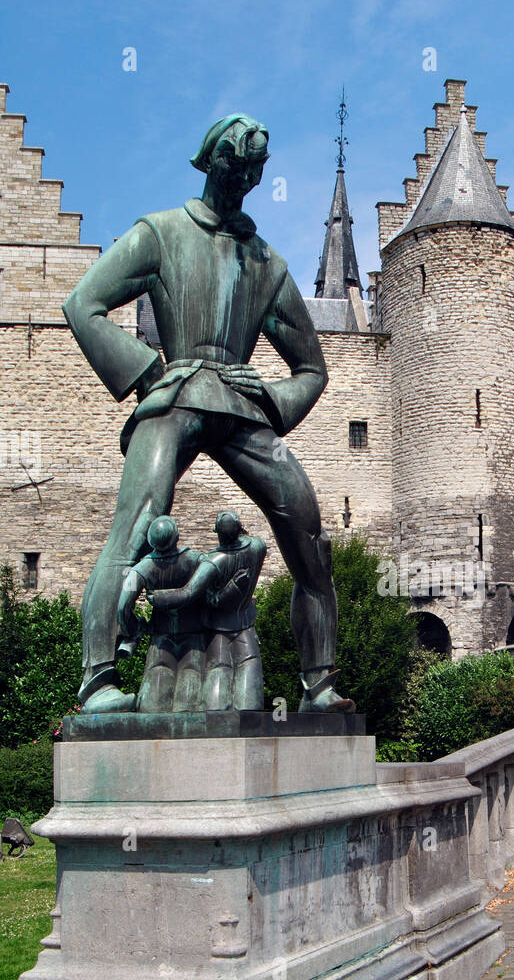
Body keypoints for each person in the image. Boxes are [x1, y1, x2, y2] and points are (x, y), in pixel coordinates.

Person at [63, 112, 354, 715]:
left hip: (241, 406)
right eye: (234, 162)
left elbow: (313, 368)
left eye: (255, 168)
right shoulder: (162, 233)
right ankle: (98, 680)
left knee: (308, 532)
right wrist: (146, 374)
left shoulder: (267, 264)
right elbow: (83, 302)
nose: (243, 176)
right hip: (176, 393)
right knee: (137, 522)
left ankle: (319, 683)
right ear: (209, 161)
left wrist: (270, 396)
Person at [149, 510, 266, 712]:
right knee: (249, 664)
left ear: (217, 533)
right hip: (245, 622)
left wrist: (158, 597)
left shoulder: (213, 561)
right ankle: (249, 715)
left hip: (218, 627)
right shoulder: (257, 547)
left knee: (219, 668)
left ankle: (215, 713)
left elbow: (187, 593)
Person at [117, 516, 205, 713]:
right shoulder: (196, 560)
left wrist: (133, 628)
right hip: (193, 637)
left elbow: (123, 606)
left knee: (152, 706)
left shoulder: (142, 568)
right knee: (189, 703)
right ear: (177, 536)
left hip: (161, 639)